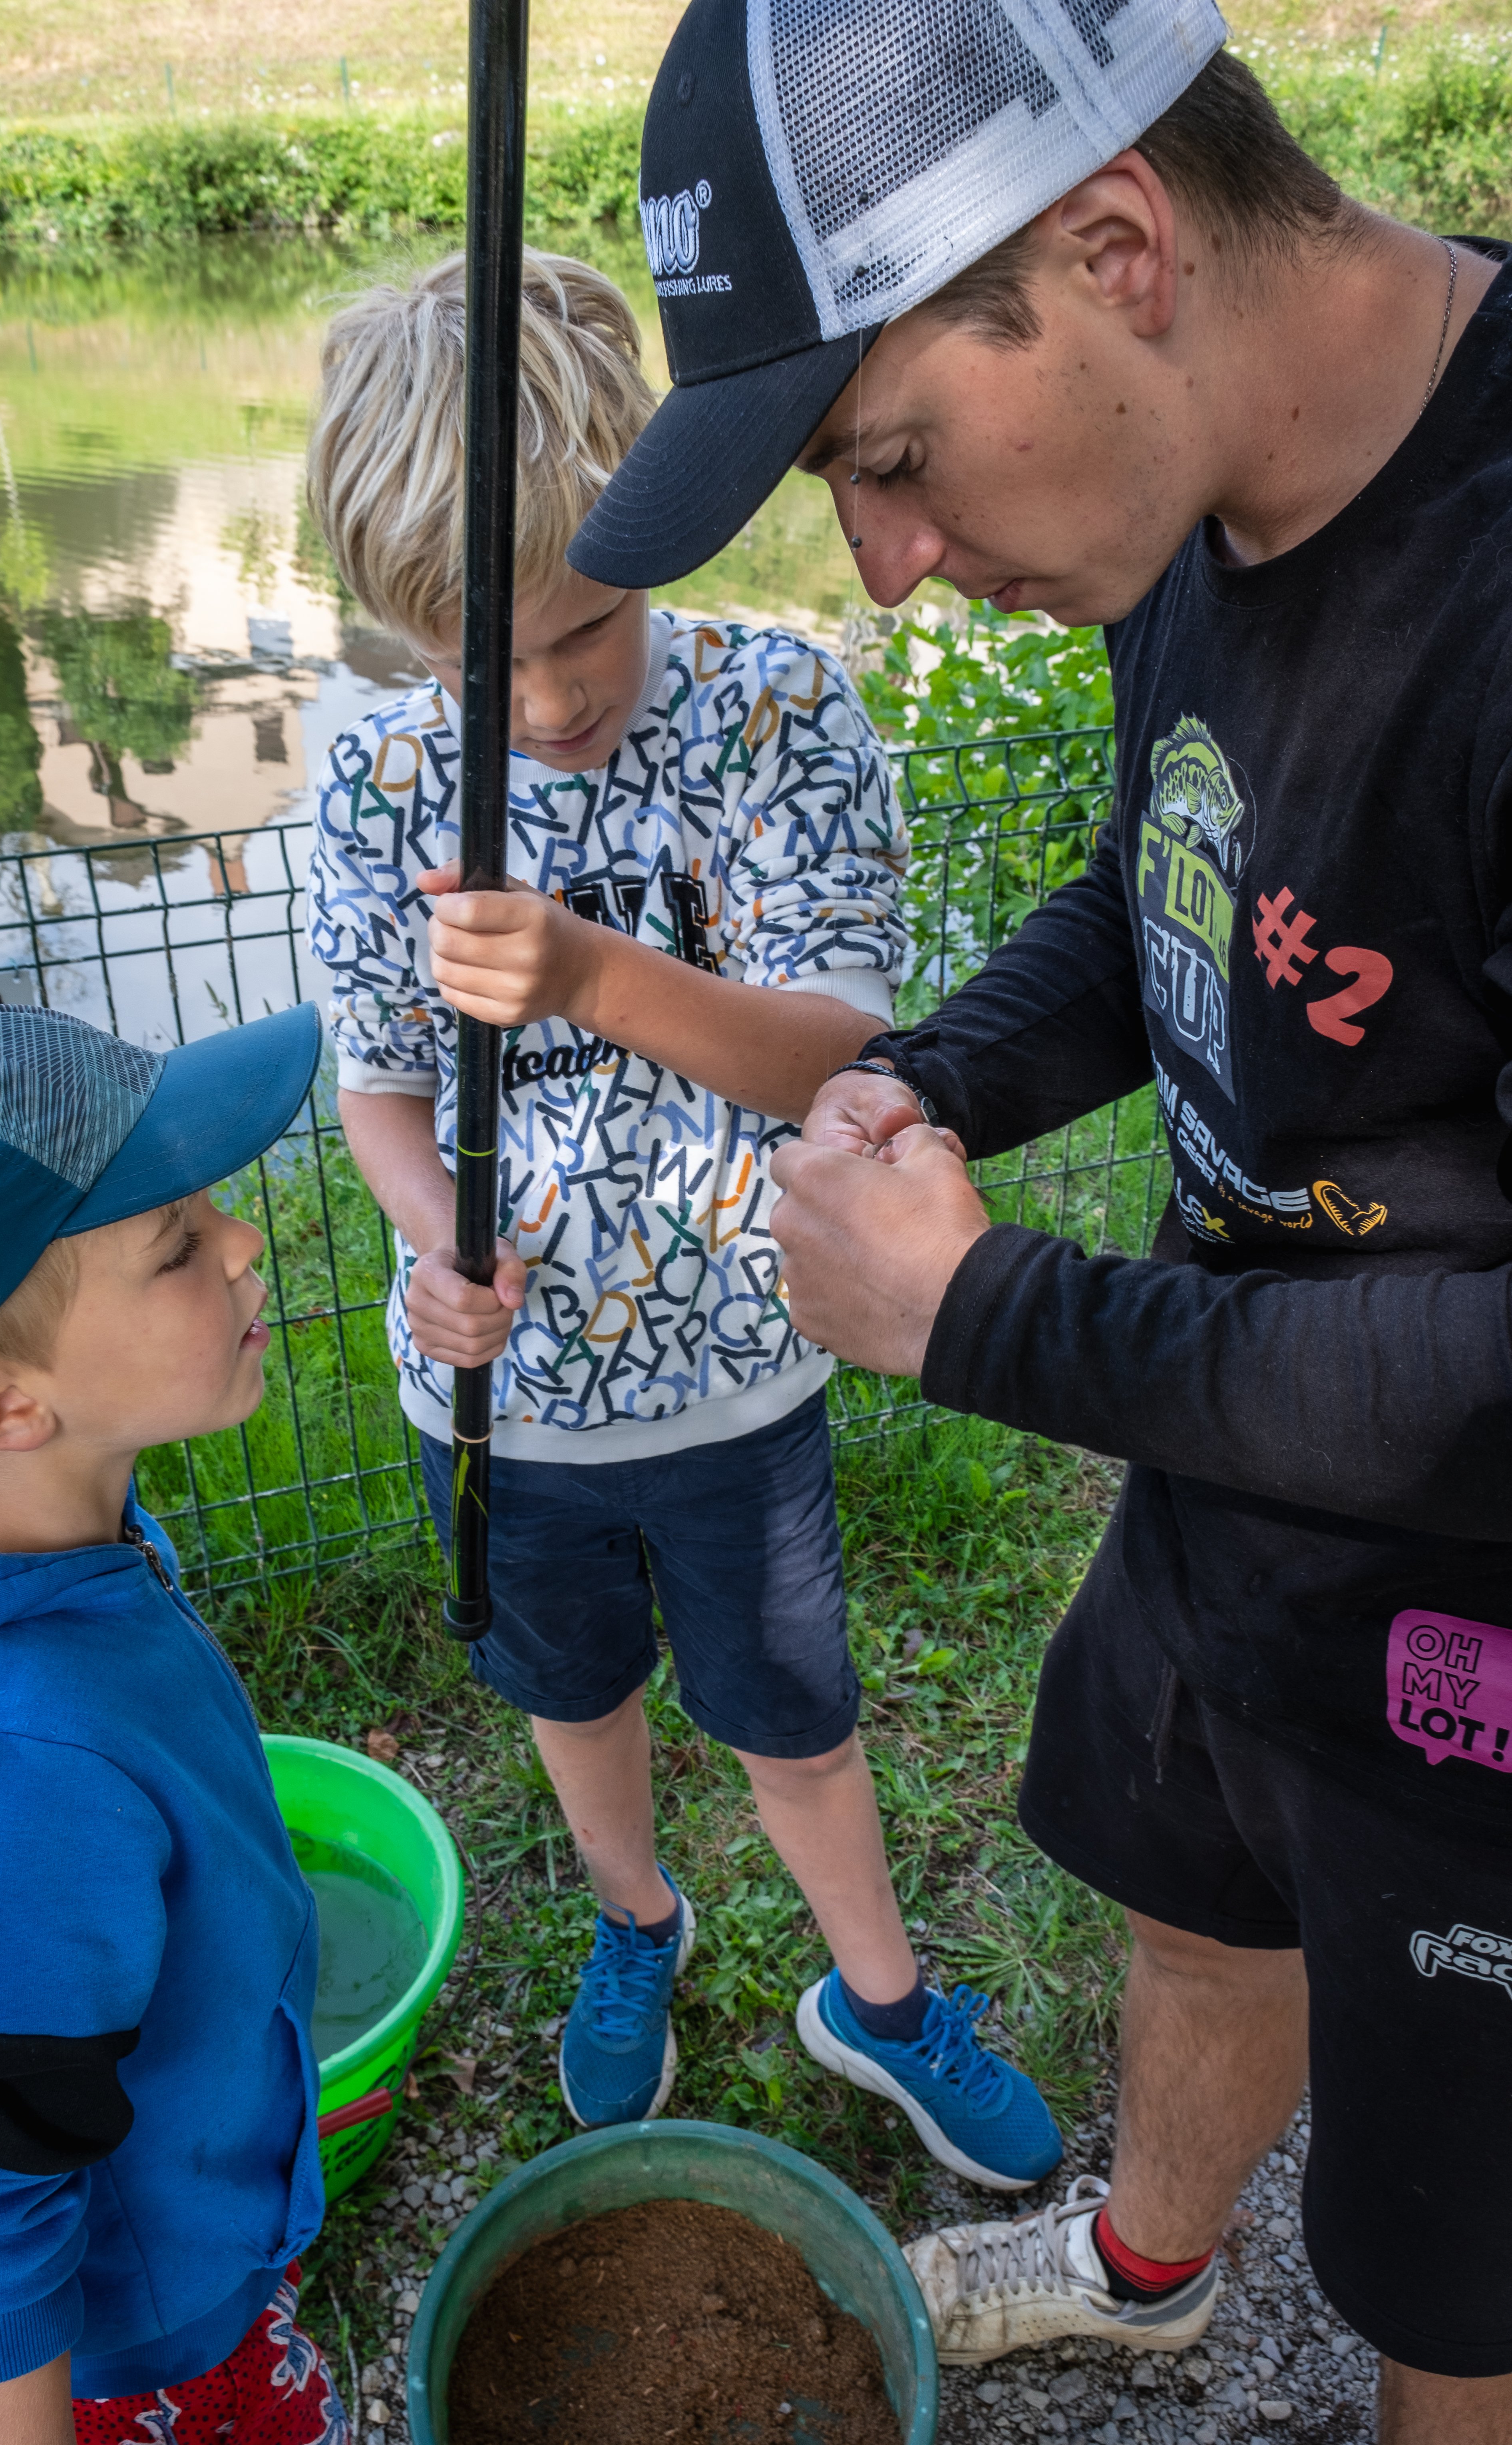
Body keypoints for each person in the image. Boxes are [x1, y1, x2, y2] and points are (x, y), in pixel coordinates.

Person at [567, 1, 1512, 2445]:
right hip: (1225, 1460)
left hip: (1477, 1640)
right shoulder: (1199, 496)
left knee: (1462, 2269)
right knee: (1192, 1881)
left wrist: (984, 1312)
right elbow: (1166, 863)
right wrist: (940, 1083)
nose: (892, 565)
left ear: (1116, 250)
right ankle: (1149, 2273)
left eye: (886, 460)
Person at [301, 247, 1061, 2188]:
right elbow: (380, 1079)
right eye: (490, 664)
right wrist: (423, 1240)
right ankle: (635, 1922)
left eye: (587, 628)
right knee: (575, 1691)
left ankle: (875, 1997)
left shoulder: (774, 711)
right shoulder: (386, 770)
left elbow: (834, 1048)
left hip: (736, 1377)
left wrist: (587, 974)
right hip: (502, 1402)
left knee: (793, 1719)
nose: (546, 704)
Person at [0, 1001, 355, 2445]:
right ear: (2, 1403)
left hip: (203, 2263)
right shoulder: (25, 1768)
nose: (248, 1243)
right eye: (177, 1247)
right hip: (139, 2355)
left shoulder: (47, 1524)